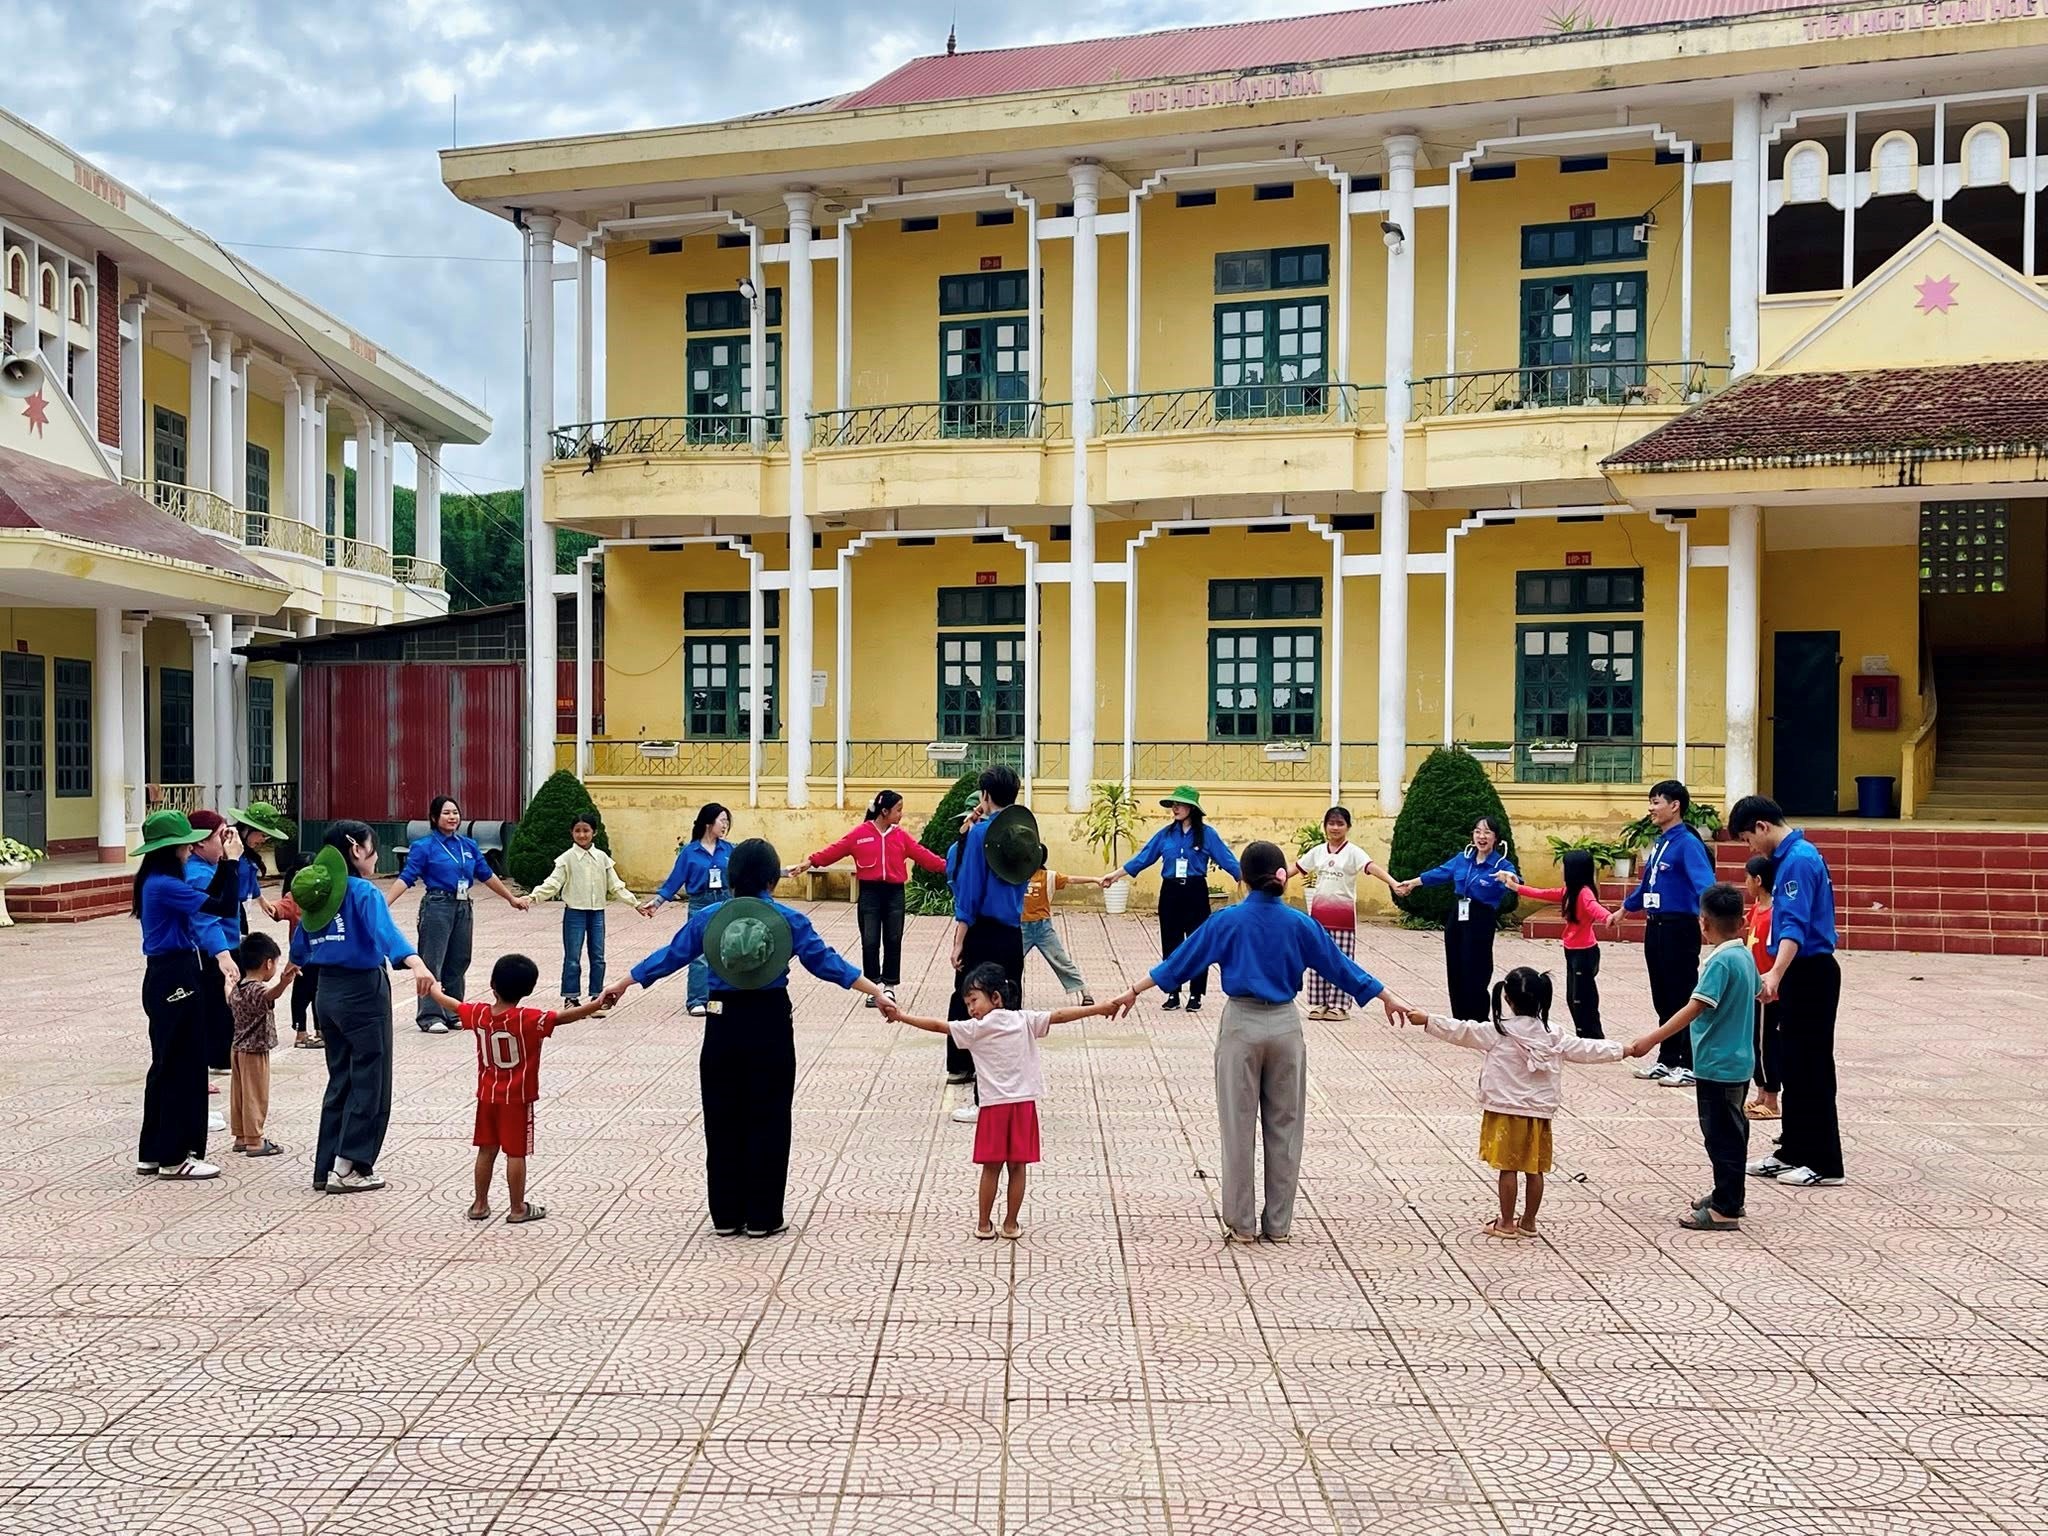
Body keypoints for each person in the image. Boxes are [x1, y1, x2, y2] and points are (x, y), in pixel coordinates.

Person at [1108, 841, 1417, 1244]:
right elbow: (1342, 967)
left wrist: (1133, 990)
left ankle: (1242, 1224)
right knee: (1285, 1128)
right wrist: (1386, 996)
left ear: (1244, 879)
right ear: (1282, 877)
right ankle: (1279, 1224)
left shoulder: (1227, 920)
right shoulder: (1300, 923)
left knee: (1237, 1128)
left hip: (1241, 1025)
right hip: (1286, 1028)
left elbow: (1179, 963)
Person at [601, 838, 886, 1236]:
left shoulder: (709, 918)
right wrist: (875, 991)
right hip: (770, 1020)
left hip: (722, 1021)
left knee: (722, 1116)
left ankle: (726, 1215)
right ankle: (763, 1217)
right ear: (772, 880)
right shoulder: (788, 919)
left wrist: (622, 983)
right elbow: (826, 963)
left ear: (732, 877)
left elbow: (670, 955)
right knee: (769, 1116)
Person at [883, 962, 1121, 1239]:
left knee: (991, 1167)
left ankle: (984, 1224)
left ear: (995, 997)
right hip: (1023, 1106)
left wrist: (902, 1016)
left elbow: (938, 1026)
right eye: (967, 1004)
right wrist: (1098, 1008)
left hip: (993, 1108)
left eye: (974, 1000)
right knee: (1018, 1167)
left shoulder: (975, 1029)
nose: (971, 1009)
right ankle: (1010, 1224)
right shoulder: (1024, 1020)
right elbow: (1059, 1016)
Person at [1404, 968, 1625, 1239]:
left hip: (1504, 1111)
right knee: (1535, 1169)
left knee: (1507, 1169)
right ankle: (1529, 1222)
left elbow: (1461, 1030)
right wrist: (1624, 1049)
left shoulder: (1498, 1031)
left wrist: (1427, 1019)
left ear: (1506, 998)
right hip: (1539, 1114)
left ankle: (1506, 1223)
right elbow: (1588, 1049)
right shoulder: (1554, 1035)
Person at [294, 822, 436, 1193]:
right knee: (371, 1080)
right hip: (362, 993)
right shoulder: (363, 892)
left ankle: (325, 1167)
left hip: (327, 992)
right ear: (356, 849)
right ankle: (350, 1167)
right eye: (372, 847)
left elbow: (300, 946)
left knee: (340, 1079)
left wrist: (288, 972)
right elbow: (385, 932)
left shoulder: (321, 892)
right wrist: (416, 962)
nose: (375, 856)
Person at [420, 954, 606, 1225]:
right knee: (516, 1153)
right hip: (518, 1099)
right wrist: (597, 1004)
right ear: (528, 990)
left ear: (492, 984)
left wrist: (434, 988)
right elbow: (564, 1017)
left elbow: (453, 1004)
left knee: (486, 1149)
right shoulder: (529, 1019)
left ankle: (479, 1204)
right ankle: (517, 1207)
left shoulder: (480, 1014)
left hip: (486, 1096)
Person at [1625, 883, 1758, 1230]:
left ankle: (1726, 1209)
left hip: (1717, 1064)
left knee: (1721, 1137)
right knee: (1733, 1132)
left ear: (1703, 922)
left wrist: (1651, 1039)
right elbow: (1760, 992)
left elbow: (1695, 1007)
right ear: (1742, 921)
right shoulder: (1744, 956)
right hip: (1739, 1063)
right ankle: (1729, 1194)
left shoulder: (1721, 962)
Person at [1730, 797, 1844, 1190]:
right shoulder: (1791, 857)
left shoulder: (1797, 860)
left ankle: (1825, 1163)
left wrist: (1775, 974)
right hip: (1799, 970)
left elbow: (1794, 925)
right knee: (1793, 1064)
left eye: (1748, 839)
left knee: (1812, 1067)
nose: (1751, 848)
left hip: (1810, 970)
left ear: (1762, 826)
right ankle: (1793, 1150)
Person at [131, 810, 240, 1181]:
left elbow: (213, 902)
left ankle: (153, 1152)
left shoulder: (154, 880)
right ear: (173, 847)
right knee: (184, 1065)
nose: (190, 848)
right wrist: (232, 862)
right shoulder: (165, 884)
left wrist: (225, 865)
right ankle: (176, 1156)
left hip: (164, 974)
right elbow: (223, 906)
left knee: (166, 1064)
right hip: (175, 975)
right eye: (185, 843)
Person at [942, 766, 1038, 1120]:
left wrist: (958, 943)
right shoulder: (1023, 833)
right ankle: (1011, 1094)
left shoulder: (981, 836)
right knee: (1008, 1012)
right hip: (1012, 934)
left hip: (982, 933)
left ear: (985, 795)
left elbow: (967, 893)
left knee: (978, 1011)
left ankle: (983, 1099)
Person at [388, 796, 529, 1034]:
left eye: (455, 812)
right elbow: (407, 877)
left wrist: (511, 898)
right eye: (446, 813)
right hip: (437, 905)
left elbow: (486, 874)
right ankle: (430, 1015)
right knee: (433, 960)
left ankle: (454, 1011)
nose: (452, 817)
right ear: (434, 818)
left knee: (459, 959)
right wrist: (384, 904)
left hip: (463, 905)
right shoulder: (424, 846)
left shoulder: (468, 845)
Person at [1608, 780, 1716, 1088]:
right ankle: (1668, 1059)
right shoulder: (1661, 843)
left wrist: (1710, 919)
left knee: (1682, 995)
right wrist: (1624, 910)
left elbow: (1705, 885)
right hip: (1655, 926)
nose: (1651, 808)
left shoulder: (1688, 843)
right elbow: (1647, 886)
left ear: (1675, 805)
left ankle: (1690, 1062)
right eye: (1651, 802)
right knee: (1663, 995)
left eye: (1656, 802)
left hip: (1679, 927)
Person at [793, 790, 948, 1005]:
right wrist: (809, 862)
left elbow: (924, 856)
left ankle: (889, 986)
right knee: (870, 940)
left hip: (894, 894)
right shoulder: (860, 834)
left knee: (893, 939)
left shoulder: (900, 836)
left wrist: (951, 867)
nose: (901, 814)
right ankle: (873, 987)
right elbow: (835, 850)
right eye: (898, 810)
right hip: (869, 894)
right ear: (884, 811)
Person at [1103, 785, 1242, 1013]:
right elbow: (1143, 858)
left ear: (1192, 808)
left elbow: (1228, 860)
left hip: (1195, 891)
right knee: (1171, 943)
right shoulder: (1165, 834)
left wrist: (1251, 882)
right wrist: (1115, 875)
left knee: (1198, 943)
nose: (1175, 808)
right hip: (1170, 892)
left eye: (1180, 805)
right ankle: (1173, 992)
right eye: (1173, 805)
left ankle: (1196, 994)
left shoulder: (1207, 834)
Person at [1395, 814, 1519, 1025]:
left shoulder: (1501, 864)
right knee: (1456, 965)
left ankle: (1478, 1019)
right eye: (1477, 832)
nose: (1481, 837)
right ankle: (1459, 1017)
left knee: (1477, 967)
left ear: (1496, 838)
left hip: (1481, 917)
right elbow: (1441, 873)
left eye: (1487, 832)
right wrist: (1413, 883)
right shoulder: (1463, 859)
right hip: (1458, 914)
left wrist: (1511, 879)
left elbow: (1515, 880)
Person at [1288, 806, 1396, 1021]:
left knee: (1342, 961)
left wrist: (1393, 883)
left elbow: (1371, 867)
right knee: (1316, 958)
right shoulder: (1318, 851)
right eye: (1331, 823)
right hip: (1318, 918)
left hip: (1343, 919)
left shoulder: (1354, 852)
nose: (1335, 828)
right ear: (1325, 826)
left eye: (1340, 824)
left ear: (1348, 827)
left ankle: (1339, 1006)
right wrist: (1273, 879)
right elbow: (1296, 868)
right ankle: (1319, 1003)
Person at [528, 813, 636, 1007]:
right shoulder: (567, 858)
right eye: (577, 831)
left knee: (598, 957)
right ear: (571, 832)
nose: (582, 835)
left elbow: (616, 885)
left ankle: (597, 997)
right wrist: (532, 897)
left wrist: (635, 904)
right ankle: (571, 997)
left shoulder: (602, 858)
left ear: (594, 832)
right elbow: (553, 883)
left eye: (586, 830)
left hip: (597, 913)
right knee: (572, 957)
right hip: (574, 913)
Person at [639, 803, 734, 1019]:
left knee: (724, 951)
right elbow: (675, 880)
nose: (725, 825)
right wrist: (657, 902)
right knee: (699, 952)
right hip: (700, 903)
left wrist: (780, 872)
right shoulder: (690, 852)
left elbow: (746, 870)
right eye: (722, 820)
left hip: (725, 902)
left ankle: (718, 998)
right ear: (708, 822)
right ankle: (697, 1000)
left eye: (727, 821)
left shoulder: (729, 850)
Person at [1511, 850, 1613, 1038]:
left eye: (1564, 865)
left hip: (1584, 953)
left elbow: (1594, 907)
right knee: (1572, 998)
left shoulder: (1584, 893)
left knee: (1583, 999)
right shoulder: (1569, 892)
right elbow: (1542, 893)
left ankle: (1593, 1039)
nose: (1561, 869)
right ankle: (1584, 1036)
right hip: (1572, 951)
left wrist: (1608, 917)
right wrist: (1516, 887)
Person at [184, 810, 246, 1090]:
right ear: (199, 842)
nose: (227, 842)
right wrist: (222, 954)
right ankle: (217, 1057)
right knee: (217, 1006)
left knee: (226, 1006)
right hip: (210, 950)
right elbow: (205, 919)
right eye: (221, 836)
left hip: (228, 942)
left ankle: (220, 1054)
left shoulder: (213, 867)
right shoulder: (196, 874)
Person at [227, 931, 296, 1158]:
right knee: (256, 1095)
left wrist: (227, 983)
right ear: (268, 963)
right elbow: (270, 995)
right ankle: (255, 1140)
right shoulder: (257, 989)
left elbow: (229, 996)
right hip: (255, 1051)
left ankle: (241, 1136)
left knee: (239, 1094)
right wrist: (284, 982)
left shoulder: (239, 988)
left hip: (237, 1050)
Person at [1741, 854, 1783, 1122]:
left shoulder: (1775, 913)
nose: (1745, 883)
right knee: (1754, 1042)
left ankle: (1772, 1099)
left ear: (1758, 880)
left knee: (1767, 1045)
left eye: (1747, 878)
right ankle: (1760, 1093)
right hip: (1753, 986)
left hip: (1768, 991)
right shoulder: (1758, 908)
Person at [273, 840, 323, 1049]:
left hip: (322, 952)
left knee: (320, 991)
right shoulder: (293, 897)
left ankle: (321, 1030)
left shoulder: (322, 895)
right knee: (302, 993)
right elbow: (278, 910)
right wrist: (263, 903)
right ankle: (301, 1033)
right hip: (302, 956)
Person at [1020, 866, 1094, 1005]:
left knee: (1061, 960)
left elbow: (1072, 879)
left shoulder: (1049, 876)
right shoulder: (1014, 874)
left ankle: (1085, 992)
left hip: (1043, 928)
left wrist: (1096, 880)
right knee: (1010, 961)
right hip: (1021, 927)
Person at [229, 801, 296, 931]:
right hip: (225, 910)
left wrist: (261, 900)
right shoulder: (230, 847)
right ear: (248, 828)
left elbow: (250, 876)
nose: (263, 840)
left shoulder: (246, 851)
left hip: (239, 910)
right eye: (263, 835)